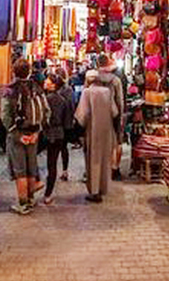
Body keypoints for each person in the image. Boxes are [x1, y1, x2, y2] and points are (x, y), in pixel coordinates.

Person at [1, 59, 49, 214]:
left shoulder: (10, 90)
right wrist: (36, 132)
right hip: (33, 133)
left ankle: (22, 204)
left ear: (14, 71)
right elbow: (46, 111)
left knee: (20, 170)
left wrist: (16, 134)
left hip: (17, 135)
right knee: (31, 166)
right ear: (28, 71)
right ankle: (30, 199)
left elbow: (5, 115)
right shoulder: (37, 88)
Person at [76, 69, 119, 203]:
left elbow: (82, 115)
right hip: (106, 130)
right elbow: (114, 112)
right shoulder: (107, 92)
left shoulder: (87, 93)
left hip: (92, 131)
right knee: (104, 159)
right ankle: (103, 188)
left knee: (93, 160)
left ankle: (94, 191)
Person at [42, 71, 74, 203]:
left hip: (46, 133)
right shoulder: (63, 100)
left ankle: (33, 186)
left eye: (47, 81)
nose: (44, 82)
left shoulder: (45, 100)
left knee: (33, 160)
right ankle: (48, 194)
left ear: (53, 85)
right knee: (52, 164)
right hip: (59, 133)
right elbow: (67, 122)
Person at [96, 54, 126, 180]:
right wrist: (121, 116)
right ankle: (115, 169)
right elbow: (120, 101)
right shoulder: (115, 80)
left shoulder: (93, 78)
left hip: (97, 114)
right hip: (113, 114)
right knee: (117, 142)